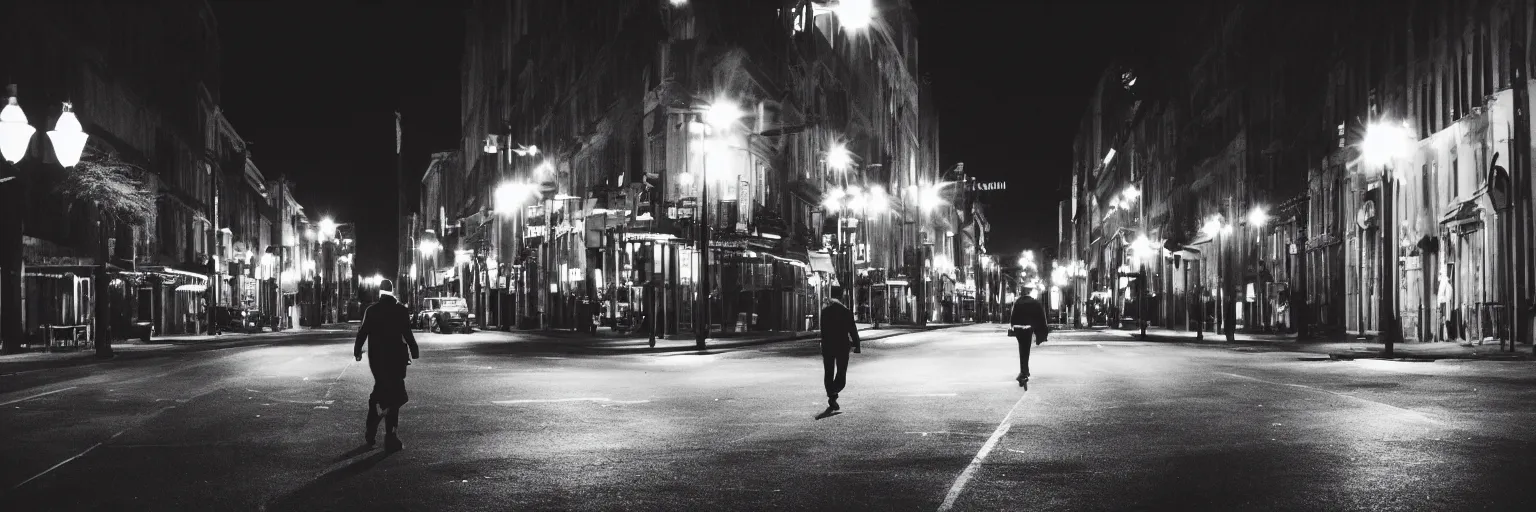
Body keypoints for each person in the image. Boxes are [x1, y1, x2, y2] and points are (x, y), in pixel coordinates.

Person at [354, 279, 420, 451]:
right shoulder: (401, 310)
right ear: (392, 291)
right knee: (396, 394)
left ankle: (374, 421)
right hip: (397, 358)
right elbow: (407, 332)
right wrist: (414, 350)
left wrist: (357, 351)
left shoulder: (372, 310)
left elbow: (363, 333)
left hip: (377, 358)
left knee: (382, 387)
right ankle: (390, 433)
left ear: (379, 292)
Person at [819, 297, 861, 412]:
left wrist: (823, 343)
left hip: (828, 345)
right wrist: (857, 344)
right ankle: (834, 390)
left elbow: (823, 330)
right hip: (842, 345)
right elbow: (852, 329)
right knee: (841, 372)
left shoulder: (825, 312)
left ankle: (831, 395)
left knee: (828, 371)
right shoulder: (846, 312)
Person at [1009, 287, 1049, 388]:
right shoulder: (1034, 303)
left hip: (1018, 328)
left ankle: (1024, 372)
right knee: (1026, 350)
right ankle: (1024, 372)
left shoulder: (1018, 301)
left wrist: (1012, 325)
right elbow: (1040, 316)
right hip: (1027, 328)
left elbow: (1013, 314)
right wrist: (1041, 331)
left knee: (1022, 349)